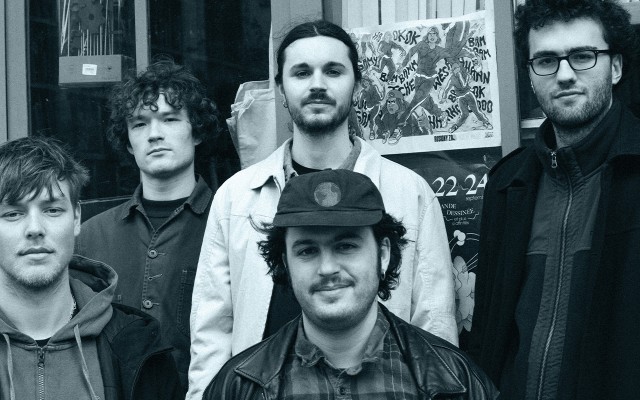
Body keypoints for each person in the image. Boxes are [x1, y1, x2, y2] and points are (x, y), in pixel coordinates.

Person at [188, 20, 456, 399]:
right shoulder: (235, 197)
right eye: (301, 72)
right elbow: (211, 331)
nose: (317, 84)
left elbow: (434, 324)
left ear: (357, 85)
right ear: (281, 89)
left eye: (333, 71)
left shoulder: (409, 194)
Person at [469, 0, 640, 398]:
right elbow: (490, 328)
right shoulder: (508, 184)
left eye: (583, 56)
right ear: (530, 76)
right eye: (546, 61)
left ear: (615, 67)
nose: (564, 75)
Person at [203, 169, 498, 399]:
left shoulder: (456, 382)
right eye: (307, 251)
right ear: (286, 263)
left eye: (346, 246)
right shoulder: (239, 386)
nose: (327, 268)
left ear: (383, 254)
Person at [75, 59, 220, 390]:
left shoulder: (228, 224)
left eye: (170, 119)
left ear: (196, 131)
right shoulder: (89, 237)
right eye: (140, 124)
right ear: (128, 141)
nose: (155, 134)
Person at [0, 136, 182, 400]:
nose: (35, 229)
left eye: (52, 210)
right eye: (13, 213)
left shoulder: (139, 345)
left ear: (76, 218)